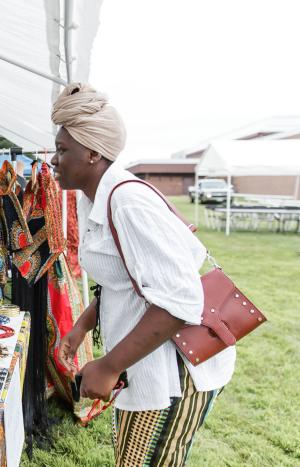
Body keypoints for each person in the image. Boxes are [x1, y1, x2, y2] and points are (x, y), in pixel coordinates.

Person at [52, 84, 234, 466]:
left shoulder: (128, 202)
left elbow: (180, 300)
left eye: (63, 150)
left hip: (174, 370)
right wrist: (83, 325)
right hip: (146, 361)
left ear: (92, 153)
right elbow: (125, 278)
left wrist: (109, 365)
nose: (54, 159)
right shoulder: (95, 197)